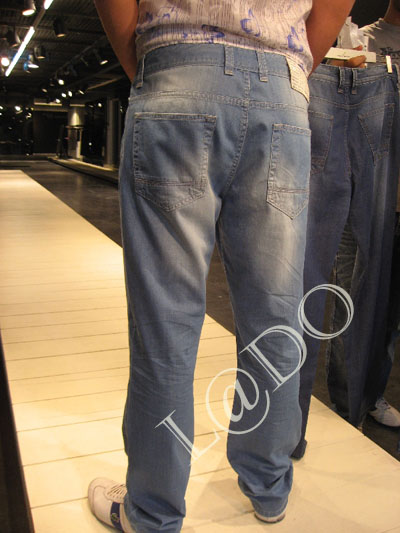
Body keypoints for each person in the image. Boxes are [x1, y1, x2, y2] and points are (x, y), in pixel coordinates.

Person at [89, 1, 355, 531]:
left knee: (165, 324)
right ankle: (269, 487)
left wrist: (157, 64)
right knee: (275, 316)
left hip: (178, 68)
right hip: (281, 91)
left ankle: (152, 512)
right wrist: (286, 68)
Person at [325, 0, 400, 429]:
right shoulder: (364, 41)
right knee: (351, 299)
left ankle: (370, 394)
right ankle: (345, 401)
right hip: (366, 189)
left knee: (388, 313)